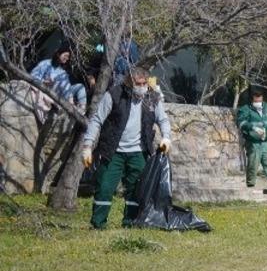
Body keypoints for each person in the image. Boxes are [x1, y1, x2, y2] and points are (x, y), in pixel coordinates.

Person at [81, 67, 172, 229]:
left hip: (139, 151)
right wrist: (87, 146)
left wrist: (166, 137)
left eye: (145, 83)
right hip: (112, 151)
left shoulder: (152, 98)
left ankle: (131, 223)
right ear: (130, 82)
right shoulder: (114, 94)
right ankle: (98, 225)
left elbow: (163, 120)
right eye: (138, 83)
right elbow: (96, 120)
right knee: (104, 187)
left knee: (136, 190)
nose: (142, 86)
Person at [236, 89, 267, 194]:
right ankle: (250, 186)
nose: (258, 102)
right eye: (256, 100)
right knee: (253, 163)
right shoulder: (245, 109)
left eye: (260, 99)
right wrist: (253, 128)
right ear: (252, 100)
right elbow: (240, 122)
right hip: (254, 142)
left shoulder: (266, 108)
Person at [30, 44, 88, 114]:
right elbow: (33, 75)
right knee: (57, 81)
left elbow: (67, 87)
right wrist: (44, 81)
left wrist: (70, 98)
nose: (67, 58)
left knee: (80, 86)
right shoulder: (46, 64)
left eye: (68, 57)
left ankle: (82, 109)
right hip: (50, 91)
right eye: (65, 55)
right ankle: (71, 105)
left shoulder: (62, 71)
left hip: (64, 94)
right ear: (58, 54)